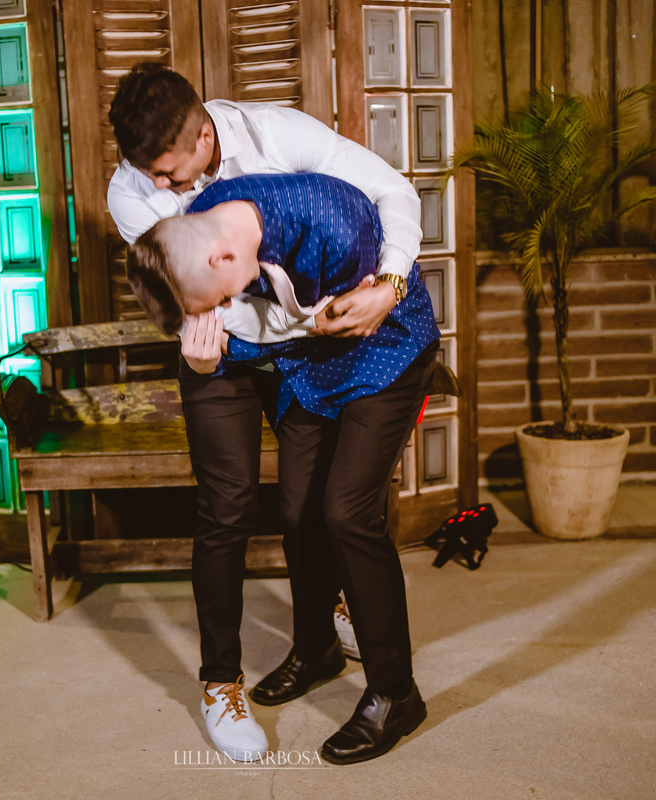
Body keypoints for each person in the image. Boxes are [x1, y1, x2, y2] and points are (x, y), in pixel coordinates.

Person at [106, 62, 424, 763]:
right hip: (216, 347)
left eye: (168, 172)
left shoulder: (277, 135)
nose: (161, 189)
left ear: (201, 136)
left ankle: (320, 637)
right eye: (146, 174)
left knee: (308, 503)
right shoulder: (131, 192)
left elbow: (390, 189)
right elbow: (208, 299)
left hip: (306, 346)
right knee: (226, 509)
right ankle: (221, 683)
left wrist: (389, 284)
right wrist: (202, 356)